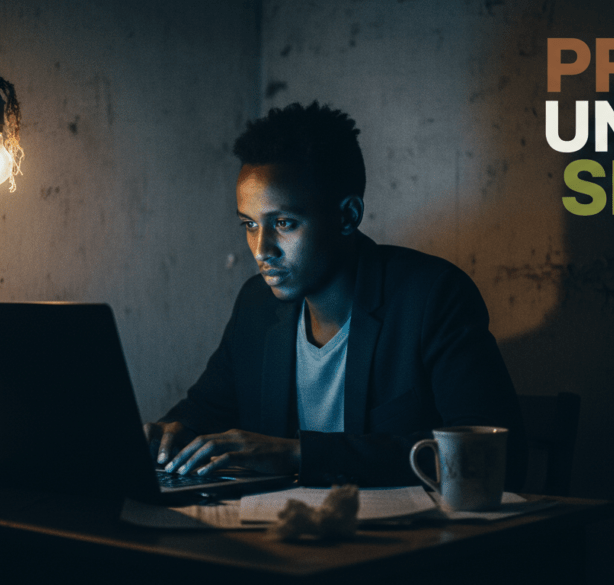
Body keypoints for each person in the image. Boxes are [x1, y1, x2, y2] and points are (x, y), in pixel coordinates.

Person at [144, 102, 526, 488]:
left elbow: (490, 454)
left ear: (348, 216)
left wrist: (300, 454)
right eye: (250, 225)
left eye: (283, 223)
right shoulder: (256, 305)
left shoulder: (432, 297)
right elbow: (204, 411)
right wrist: (168, 434)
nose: (262, 250)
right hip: (282, 523)